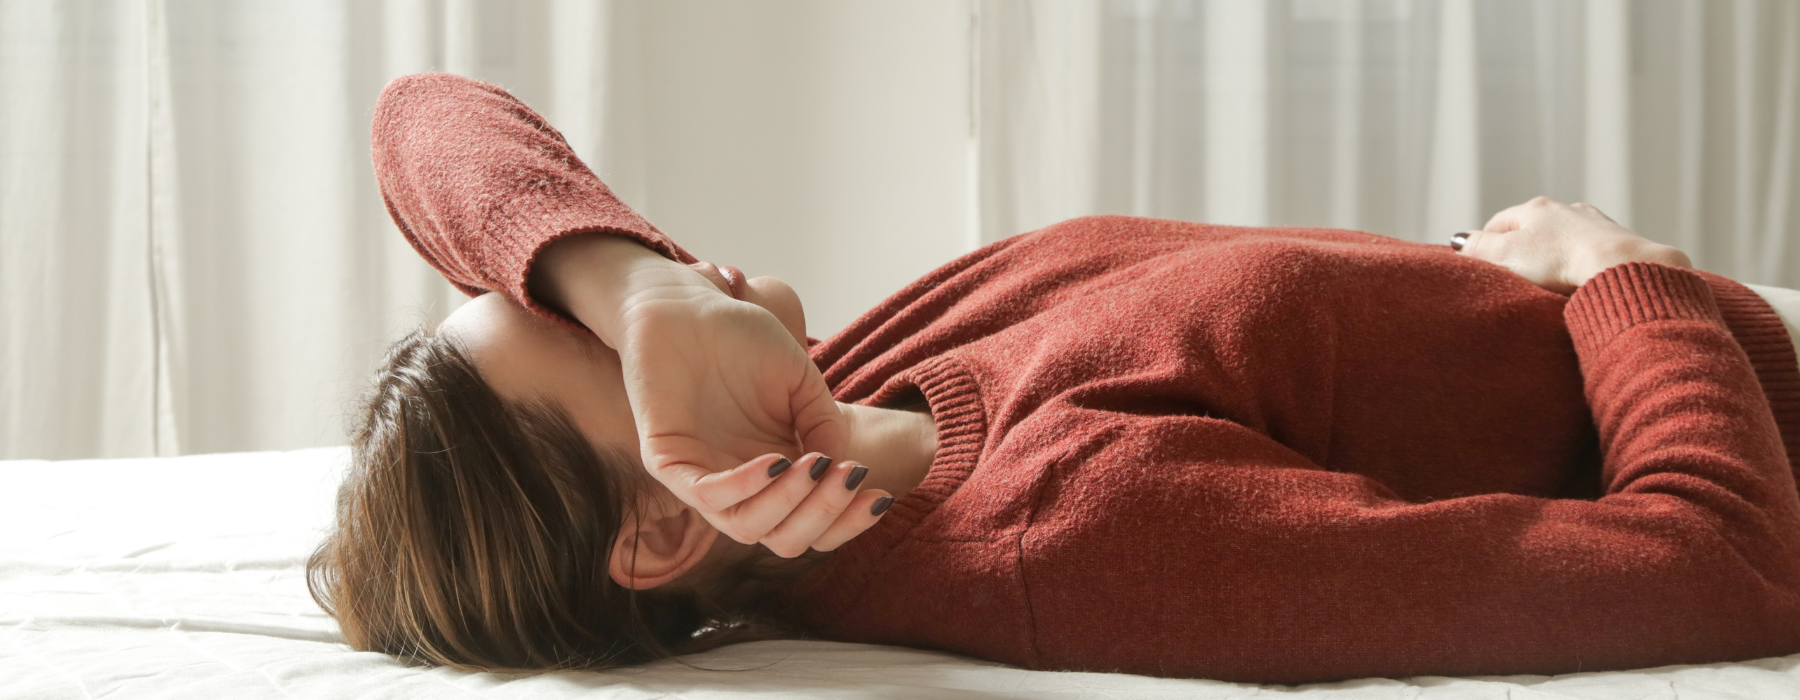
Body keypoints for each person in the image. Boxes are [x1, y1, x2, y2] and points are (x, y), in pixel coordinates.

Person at [307, 73, 1800, 683]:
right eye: (591, 344)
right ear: (654, 529)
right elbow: (1719, 568)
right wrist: (1629, 273)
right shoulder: (1083, 530)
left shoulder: (851, 386)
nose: (659, 290)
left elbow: (424, 117)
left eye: (559, 290)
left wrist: (630, 288)